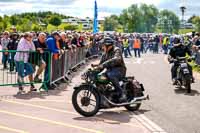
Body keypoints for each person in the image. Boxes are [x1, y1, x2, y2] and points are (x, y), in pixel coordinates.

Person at [93, 37, 127, 102]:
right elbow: (101, 64)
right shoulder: (105, 54)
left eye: (103, 46)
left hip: (120, 70)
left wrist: (103, 65)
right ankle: (104, 95)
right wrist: (95, 68)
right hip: (110, 70)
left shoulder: (116, 50)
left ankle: (122, 94)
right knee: (99, 77)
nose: (102, 47)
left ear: (108, 45)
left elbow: (117, 59)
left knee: (111, 75)